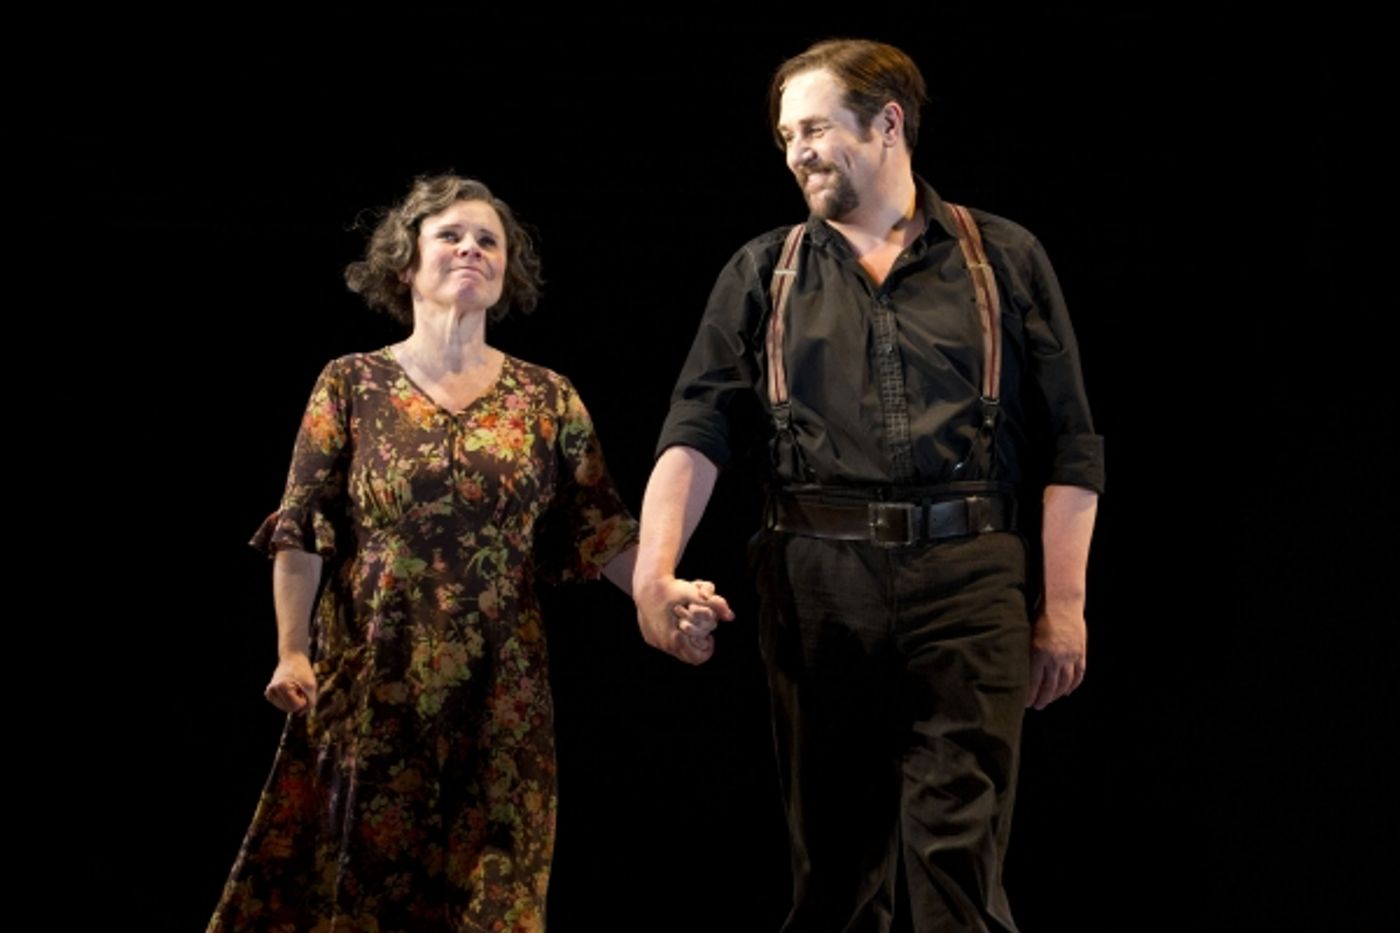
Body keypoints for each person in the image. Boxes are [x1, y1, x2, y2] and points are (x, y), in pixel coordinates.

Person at [631, 40, 1104, 932]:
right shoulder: (762, 272)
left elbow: (1071, 445)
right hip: (816, 580)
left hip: (970, 576)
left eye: (813, 127)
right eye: (784, 136)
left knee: (956, 863)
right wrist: (655, 574)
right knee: (835, 871)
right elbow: (695, 431)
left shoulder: (1002, 256)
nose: (795, 151)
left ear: (888, 123)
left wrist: (1065, 607)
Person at [209, 174, 727, 932]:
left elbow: (602, 530)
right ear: (405, 264)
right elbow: (302, 526)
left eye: (489, 239)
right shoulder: (352, 382)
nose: (471, 249)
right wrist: (291, 651)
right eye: (451, 235)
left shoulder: (547, 397)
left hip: (501, 692)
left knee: (495, 899)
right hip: (373, 680)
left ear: (505, 271)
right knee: (361, 893)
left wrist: (662, 591)